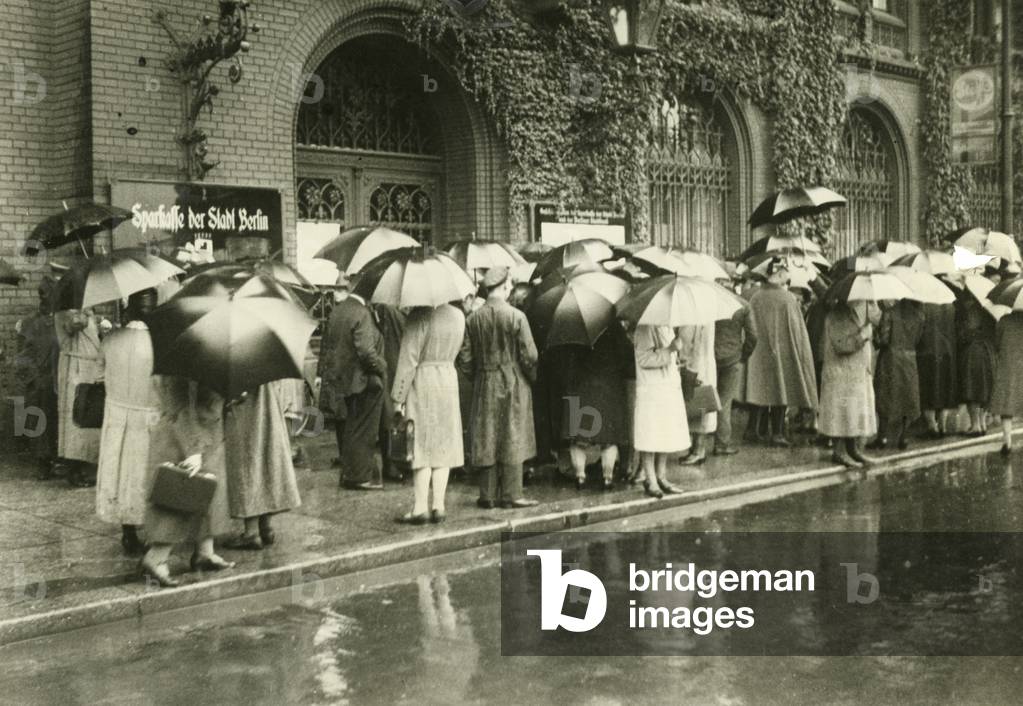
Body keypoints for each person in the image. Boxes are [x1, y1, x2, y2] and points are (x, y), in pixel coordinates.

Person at [457, 267, 540, 509]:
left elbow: (465, 358)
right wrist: (528, 376)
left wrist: (478, 376)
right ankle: (513, 494)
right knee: (513, 432)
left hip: (485, 380)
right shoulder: (517, 317)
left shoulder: (472, 319)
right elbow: (530, 354)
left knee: (487, 434)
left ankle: (488, 494)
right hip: (513, 380)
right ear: (505, 287)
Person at [140, 379, 235, 587]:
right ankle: (156, 558)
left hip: (207, 432)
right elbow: (179, 403)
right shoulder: (184, 361)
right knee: (179, 498)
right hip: (185, 437)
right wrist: (192, 450)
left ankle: (204, 551)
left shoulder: (202, 355)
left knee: (206, 494)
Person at [95, 290, 161, 556]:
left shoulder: (110, 339)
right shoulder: (160, 342)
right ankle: (154, 528)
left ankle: (128, 533)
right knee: (145, 474)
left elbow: (99, 375)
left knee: (120, 472)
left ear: (129, 309)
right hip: (149, 416)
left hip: (117, 417)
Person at [391, 303, 466, 524]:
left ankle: (420, 508)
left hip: (423, 382)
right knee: (443, 445)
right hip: (448, 380)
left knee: (421, 446)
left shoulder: (419, 316)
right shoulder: (459, 316)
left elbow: (408, 359)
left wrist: (398, 397)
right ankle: (439, 506)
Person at [319, 279, 389, 489]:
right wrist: (382, 366)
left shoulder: (338, 310)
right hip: (362, 381)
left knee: (349, 428)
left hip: (341, 380)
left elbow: (329, 346)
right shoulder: (362, 313)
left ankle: (350, 473)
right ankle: (359, 476)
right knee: (363, 430)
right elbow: (366, 352)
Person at [745, 258, 818, 446]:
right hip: (783, 350)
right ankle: (777, 432)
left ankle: (754, 428)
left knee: (759, 388)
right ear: (780, 275)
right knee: (781, 389)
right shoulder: (789, 299)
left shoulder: (756, 297)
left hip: (758, 351)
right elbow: (797, 330)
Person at [222, 383, 302, 549]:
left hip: (246, 407)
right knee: (267, 459)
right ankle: (266, 526)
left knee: (248, 463)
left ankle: (251, 532)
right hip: (269, 405)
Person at [559, 322, 633, 490]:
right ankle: (607, 478)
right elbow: (626, 357)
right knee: (608, 439)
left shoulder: (571, 325)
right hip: (608, 388)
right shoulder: (613, 327)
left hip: (579, 387)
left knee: (578, 439)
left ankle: (580, 477)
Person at [819, 300, 877, 468]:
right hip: (841, 375)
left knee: (852, 414)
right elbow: (842, 345)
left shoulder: (853, 313)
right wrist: (863, 335)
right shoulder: (837, 316)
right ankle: (839, 452)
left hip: (853, 374)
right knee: (842, 414)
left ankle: (853, 450)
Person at [633, 324, 687, 497]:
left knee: (664, 434)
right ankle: (650, 479)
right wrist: (670, 349)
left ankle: (661, 476)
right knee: (649, 435)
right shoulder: (644, 328)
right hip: (651, 389)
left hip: (666, 388)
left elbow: (666, 356)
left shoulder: (667, 327)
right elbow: (644, 359)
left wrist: (676, 359)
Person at [13, 277, 59, 479]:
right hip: (39, 381)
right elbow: (20, 357)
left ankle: (57, 459)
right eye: (43, 294)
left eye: (50, 294)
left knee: (57, 421)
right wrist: (34, 378)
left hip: (59, 379)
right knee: (38, 421)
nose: (46, 298)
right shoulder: (29, 323)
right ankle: (42, 462)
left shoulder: (62, 321)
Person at [54, 304, 103, 488]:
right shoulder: (66, 312)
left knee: (88, 418)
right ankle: (74, 469)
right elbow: (75, 323)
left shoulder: (80, 311)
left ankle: (84, 465)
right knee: (76, 419)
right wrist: (87, 312)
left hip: (88, 368)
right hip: (76, 369)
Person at [873, 299, 925, 449]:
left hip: (890, 358)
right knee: (908, 397)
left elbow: (883, 339)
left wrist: (876, 334)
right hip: (909, 359)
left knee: (885, 395)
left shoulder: (890, 313)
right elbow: (918, 339)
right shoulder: (919, 315)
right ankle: (904, 436)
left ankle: (882, 436)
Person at [713, 301, 756, 455]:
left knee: (705, 399)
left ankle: (698, 444)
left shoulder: (708, 301)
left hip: (711, 357)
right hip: (732, 359)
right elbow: (753, 336)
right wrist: (743, 356)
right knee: (725, 402)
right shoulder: (742, 305)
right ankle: (721, 444)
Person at [956, 283, 997, 436]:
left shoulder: (971, 310)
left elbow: (968, 332)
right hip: (988, 351)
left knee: (972, 389)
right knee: (985, 390)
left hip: (974, 352)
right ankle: (981, 423)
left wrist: (960, 333)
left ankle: (975, 426)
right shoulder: (990, 309)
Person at [374, 302, 407, 482]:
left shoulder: (388, 308)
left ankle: (398, 461)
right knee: (390, 417)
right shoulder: (388, 308)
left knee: (396, 417)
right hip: (393, 365)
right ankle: (392, 464)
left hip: (399, 365)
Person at [917, 300, 958, 437]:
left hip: (927, 350)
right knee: (944, 388)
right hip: (947, 351)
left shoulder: (923, 304)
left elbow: (919, 327)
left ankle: (931, 426)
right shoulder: (950, 304)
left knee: (928, 389)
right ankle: (943, 425)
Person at [678, 323, 717, 465]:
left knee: (700, 409)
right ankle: (696, 448)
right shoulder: (698, 314)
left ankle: (698, 450)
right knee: (698, 409)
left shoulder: (697, 318)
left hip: (697, 368)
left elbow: (696, 346)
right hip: (697, 366)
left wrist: (694, 371)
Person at [991, 311, 1023, 455]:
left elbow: (996, 343)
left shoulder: (1003, 321)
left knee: (1007, 406)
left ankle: (1007, 442)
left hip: (1008, 366)